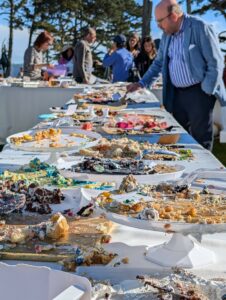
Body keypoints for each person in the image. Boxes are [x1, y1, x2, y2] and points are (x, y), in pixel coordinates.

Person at [127, 0, 226, 150]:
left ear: (173, 16)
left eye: (160, 21)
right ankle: (184, 169)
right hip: (176, 93)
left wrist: (207, 89)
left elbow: (216, 63)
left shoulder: (200, 27)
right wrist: (141, 84)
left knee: (201, 139)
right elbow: (158, 64)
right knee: (179, 136)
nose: (159, 26)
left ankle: (204, 172)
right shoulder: (167, 34)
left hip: (199, 92)